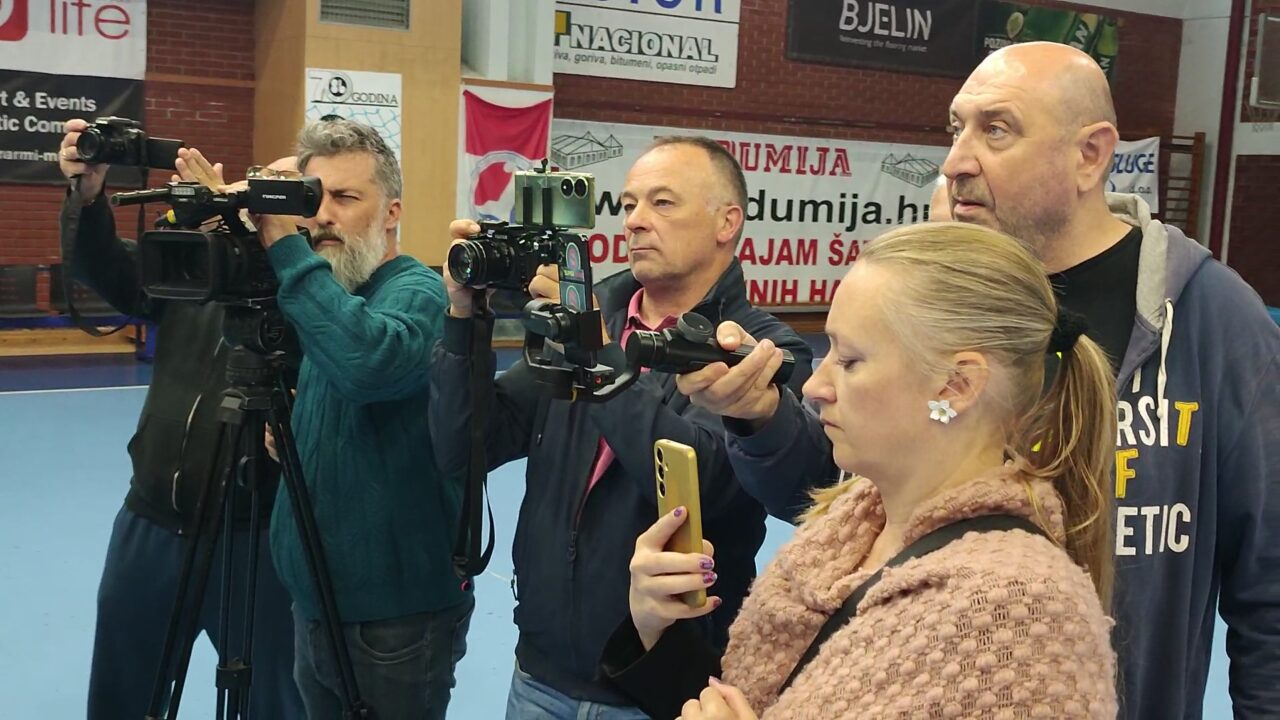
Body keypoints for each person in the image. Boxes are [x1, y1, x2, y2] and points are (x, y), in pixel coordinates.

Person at [680, 42, 1280, 718]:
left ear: (1090, 155)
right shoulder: (934, 302)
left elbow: (1270, 583)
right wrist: (759, 418)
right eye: (955, 128)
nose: (956, 160)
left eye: (996, 129)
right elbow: (845, 500)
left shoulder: (1206, 316)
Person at [603, 222, 1119, 719]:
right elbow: (747, 701)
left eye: (849, 362)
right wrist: (656, 627)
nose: (814, 387)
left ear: (956, 385)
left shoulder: (1021, 611)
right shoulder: (840, 535)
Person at [429, 136, 814, 718]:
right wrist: (465, 318)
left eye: (663, 202)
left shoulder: (760, 352)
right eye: (629, 204)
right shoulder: (591, 317)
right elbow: (465, 446)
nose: (634, 220)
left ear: (727, 222)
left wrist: (595, 351)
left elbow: (708, 483)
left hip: (657, 688)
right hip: (538, 673)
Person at [57, 120, 303, 719]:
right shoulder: (199, 272)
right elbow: (112, 272)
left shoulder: (316, 296)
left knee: (274, 700)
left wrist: (263, 246)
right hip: (150, 523)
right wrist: (87, 194)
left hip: (255, 539)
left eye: (275, 195)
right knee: (121, 693)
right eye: (253, 188)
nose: (255, 204)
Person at [253, 118, 472, 720]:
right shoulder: (332, 291)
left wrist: (285, 247)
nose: (323, 215)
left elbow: (368, 363)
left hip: (396, 622)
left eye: (346, 197)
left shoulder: (419, 292)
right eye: (312, 198)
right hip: (315, 604)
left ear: (392, 212)